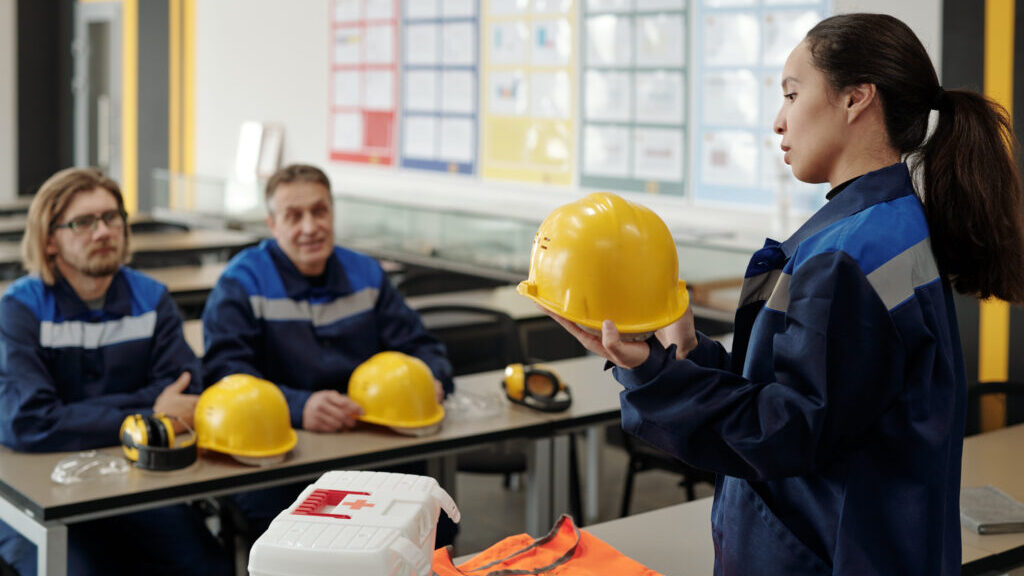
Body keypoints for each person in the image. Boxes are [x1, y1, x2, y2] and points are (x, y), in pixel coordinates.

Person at [547, 13, 1024, 575]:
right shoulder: (886, 224)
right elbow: (803, 394)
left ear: (856, 100)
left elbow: (785, 432)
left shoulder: (849, 254)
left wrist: (651, 374)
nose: (779, 121)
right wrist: (688, 350)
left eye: (792, 94)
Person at [201, 163, 456, 539]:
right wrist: (300, 406)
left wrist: (432, 376)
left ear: (333, 214)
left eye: (319, 211)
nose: (310, 227)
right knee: (308, 547)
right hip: (280, 458)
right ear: (272, 225)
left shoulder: (366, 274)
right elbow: (225, 377)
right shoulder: (241, 283)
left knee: (432, 529)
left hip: (371, 448)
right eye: (294, 216)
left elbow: (421, 346)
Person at [0, 168, 231, 576]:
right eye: (83, 222)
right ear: (50, 240)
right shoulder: (20, 308)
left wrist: (78, 413)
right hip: (42, 489)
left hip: (136, 479)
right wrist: (148, 415)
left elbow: (184, 392)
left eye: (111, 218)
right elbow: (31, 421)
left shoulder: (150, 298)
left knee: (206, 564)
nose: (103, 231)